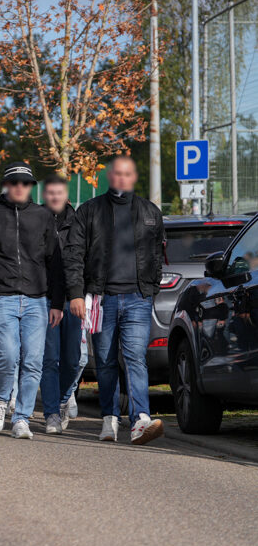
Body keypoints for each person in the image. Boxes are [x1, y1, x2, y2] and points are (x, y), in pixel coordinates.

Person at [65, 156, 166, 445]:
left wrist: (151, 286)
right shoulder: (89, 211)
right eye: (117, 174)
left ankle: (140, 419)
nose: (122, 178)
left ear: (134, 177)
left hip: (137, 298)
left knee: (135, 356)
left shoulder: (150, 212)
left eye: (127, 174)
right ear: (109, 177)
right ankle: (110, 418)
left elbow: (157, 253)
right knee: (106, 361)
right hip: (101, 299)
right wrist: (76, 293)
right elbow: (73, 255)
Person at [0, 162, 64, 439]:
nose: (20, 187)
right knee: (8, 355)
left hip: (37, 300)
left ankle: (21, 417)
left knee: (33, 360)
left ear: (30, 187)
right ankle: (0, 399)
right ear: (7, 185)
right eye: (15, 182)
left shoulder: (43, 216)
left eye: (25, 182)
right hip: (2, 297)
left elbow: (55, 261)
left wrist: (57, 302)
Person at [40, 174, 83, 434]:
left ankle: (65, 398)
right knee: (50, 359)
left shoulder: (79, 222)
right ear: (45, 195)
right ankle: (51, 414)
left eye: (59, 193)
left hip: (72, 299)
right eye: (50, 193)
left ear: (66, 196)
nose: (55, 197)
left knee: (72, 360)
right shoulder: (37, 221)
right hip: (45, 299)